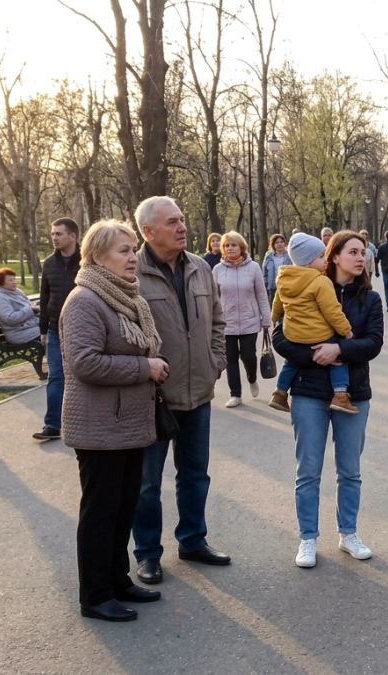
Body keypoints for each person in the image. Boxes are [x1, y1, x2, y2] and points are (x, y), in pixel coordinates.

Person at [59, 219, 167, 622]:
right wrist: (145, 368)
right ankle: (95, 595)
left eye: (133, 249)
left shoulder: (127, 298)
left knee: (123, 509)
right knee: (100, 514)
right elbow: (85, 363)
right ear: (97, 257)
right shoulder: (85, 300)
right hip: (99, 427)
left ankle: (118, 581)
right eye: (123, 250)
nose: (133, 257)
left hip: (129, 424)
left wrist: (151, 364)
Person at [132, 196, 231, 586]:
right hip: (153, 397)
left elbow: (218, 319)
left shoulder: (199, 268)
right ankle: (147, 554)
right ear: (148, 231)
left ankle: (192, 540)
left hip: (199, 391)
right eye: (172, 222)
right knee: (147, 483)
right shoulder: (132, 272)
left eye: (182, 219)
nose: (182, 227)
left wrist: (215, 361)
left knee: (195, 474)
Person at [273, 231, 384, 568]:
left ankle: (348, 534)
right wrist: (313, 355)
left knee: (350, 471)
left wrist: (339, 349)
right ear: (334, 256)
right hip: (308, 391)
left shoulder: (370, 298)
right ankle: (307, 538)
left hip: (353, 393)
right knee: (308, 471)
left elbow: (373, 343)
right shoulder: (307, 285)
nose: (361, 258)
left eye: (363, 252)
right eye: (353, 252)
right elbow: (279, 335)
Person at [268, 233, 357, 414]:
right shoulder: (320, 281)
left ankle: (280, 393)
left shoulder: (284, 279)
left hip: (293, 334)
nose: (326, 260)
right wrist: (346, 332)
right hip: (319, 334)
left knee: (291, 362)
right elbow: (332, 311)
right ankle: (340, 395)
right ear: (309, 261)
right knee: (338, 359)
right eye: (321, 256)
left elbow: (277, 306)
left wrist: (274, 318)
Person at [213, 231, 272, 408]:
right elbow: (213, 299)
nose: (230, 248)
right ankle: (235, 394)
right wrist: (212, 321)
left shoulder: (253, 268)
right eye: (226, 245)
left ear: (242, 247)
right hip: (227, 323)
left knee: (248, 356)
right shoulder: (217, 270)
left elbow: (261, 295)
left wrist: (266, 319)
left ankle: (252, 379)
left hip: (249, 321)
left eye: (233, 245)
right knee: (230, 359)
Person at [35, 217, 81, 441]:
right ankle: (52, 425)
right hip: (54, 329)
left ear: (72, 236)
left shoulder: (87, 261)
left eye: (58, 234)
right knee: (56, 376)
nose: (54, 238)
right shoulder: (49, 263)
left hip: (80, 328)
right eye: (52, 234)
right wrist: (43, 328)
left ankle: (82, 421)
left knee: (81, 376)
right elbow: (45, 296)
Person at [0, 267, 40, 345]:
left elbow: (29, 306)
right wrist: (32, 310)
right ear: (1, 282)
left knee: (54, 329)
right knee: (51, 333)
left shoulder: (17, 292)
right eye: (10, 280)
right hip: (18, 333)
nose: (14, 282)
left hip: (30, 327)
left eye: (14, 279)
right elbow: (10, 318)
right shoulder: (0, 298)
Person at [263, 233, 290, 304]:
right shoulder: (268, 256)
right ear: (273, 245)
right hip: (272, 288)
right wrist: (265, 285)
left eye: (281, 242)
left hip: (285, 287)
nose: (279, 244)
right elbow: (265, 272)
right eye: (277, 242)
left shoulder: (289, 256)